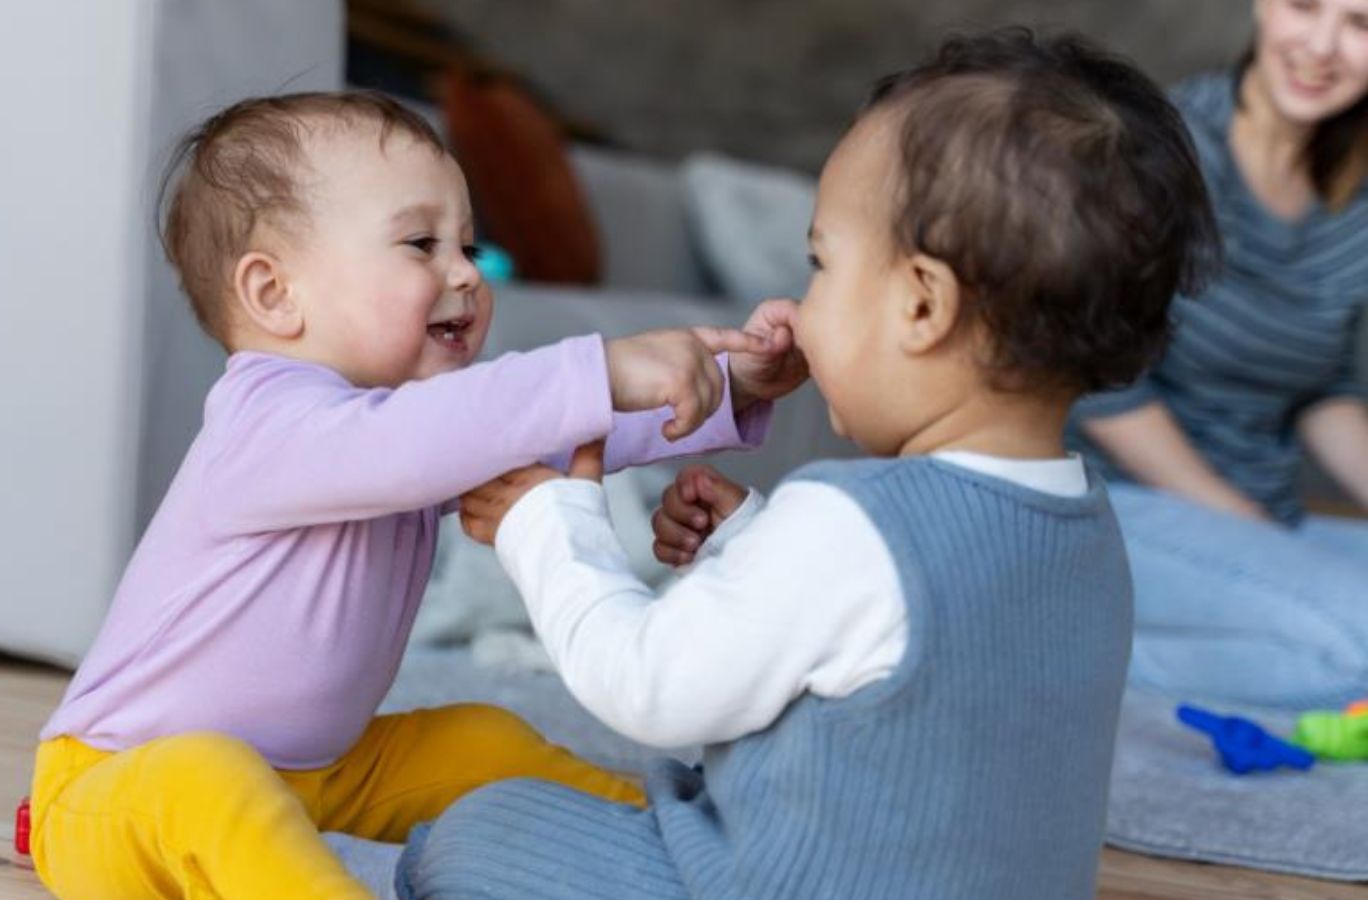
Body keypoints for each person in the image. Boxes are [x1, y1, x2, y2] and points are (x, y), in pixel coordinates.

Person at [395, 29, 1219, 900]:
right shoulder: (1089, 528)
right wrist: (751, 544)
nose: (799, 306)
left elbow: (647, 683)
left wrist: (546, 525)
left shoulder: (848, 525)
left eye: (821, 265)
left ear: (922, 306)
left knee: (479, 833)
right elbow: (903, 665)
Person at [27, 90, 804, 898]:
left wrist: (722, 384)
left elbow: (544, 436)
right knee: (210, 785)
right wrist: (599, 368)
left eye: (469, 245)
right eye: (421, 244)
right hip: (122, 785)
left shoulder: (401, 425)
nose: (465, 273)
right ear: (275, 294)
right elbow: (435, 434)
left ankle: (673, 843)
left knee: (479, 740)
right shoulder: (264, 425)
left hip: (329, 768)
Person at [1072, 0, 1368, 710]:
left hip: (1264, 511)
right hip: (1119, 503)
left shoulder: (1354, 193)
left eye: (1362, 25)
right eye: (1305, 6)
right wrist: (1254, 533)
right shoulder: (1157, 149)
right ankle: (1074, 647)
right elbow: (1098, 378)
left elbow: (1324, 389)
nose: (1322, 46)